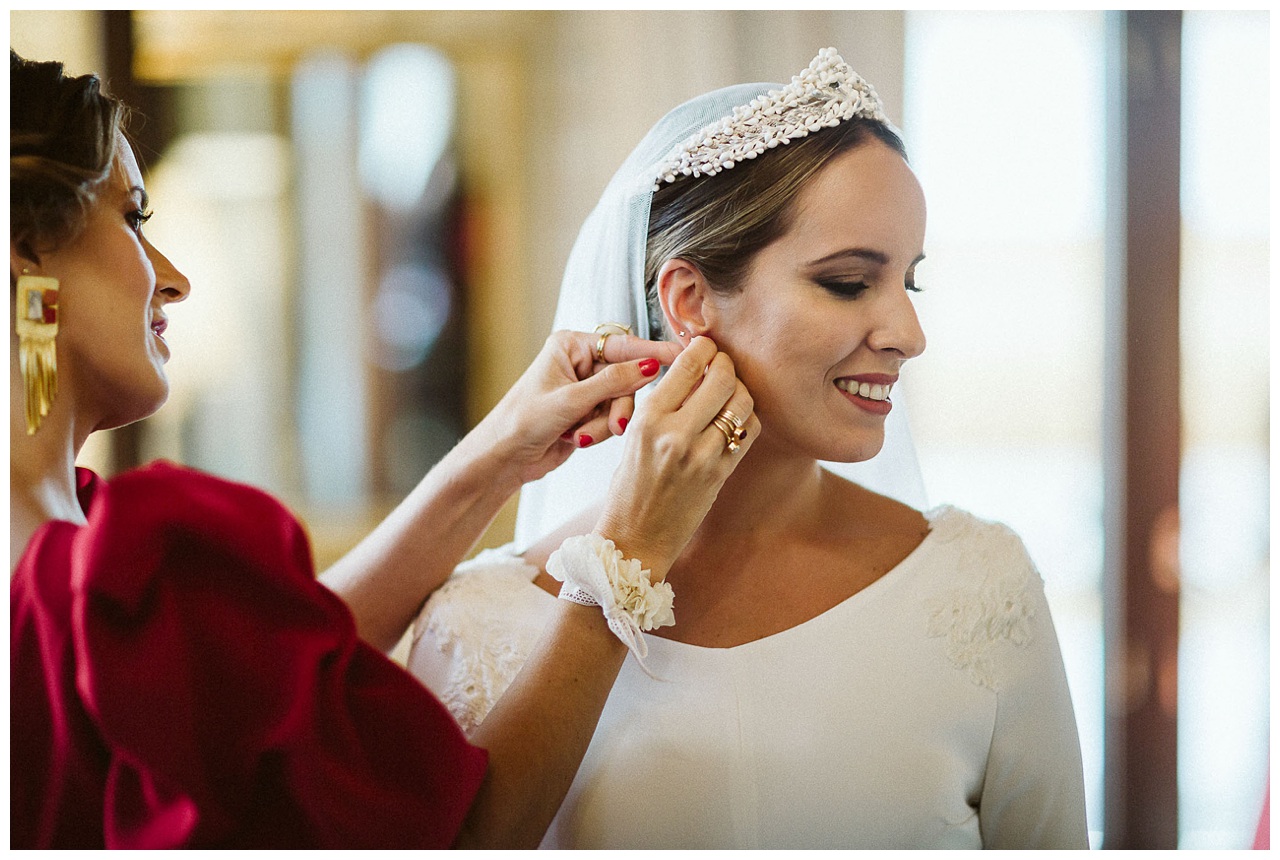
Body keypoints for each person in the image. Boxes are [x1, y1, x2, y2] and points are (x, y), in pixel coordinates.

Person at [9, 49, 761, 849]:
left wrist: (498, 451)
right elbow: (467, 832)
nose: (173, 278)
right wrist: (628, 549)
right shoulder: (131, 570)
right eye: (132, 217)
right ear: (24, 258)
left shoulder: (91, 567)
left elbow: (256, 696)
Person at [408, 48, 1089, 848]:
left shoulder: (979, 587)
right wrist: (619, 566)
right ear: (691, 301)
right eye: (846, 281)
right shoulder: (480, 622)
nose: (908, 334)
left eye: (910, 281)